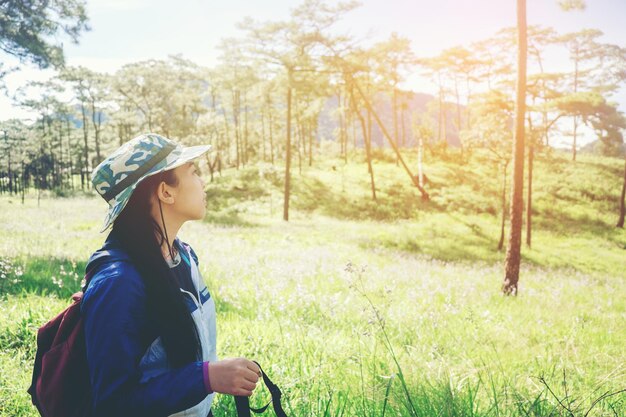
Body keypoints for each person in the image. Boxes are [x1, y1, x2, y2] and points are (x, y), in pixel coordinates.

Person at [82, 133, 261, 417]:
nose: (203, 182)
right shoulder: (118, 284)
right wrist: (207, 378)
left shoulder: (184, 257)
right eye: (193, 171)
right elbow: (112, 404)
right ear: (166, 192)